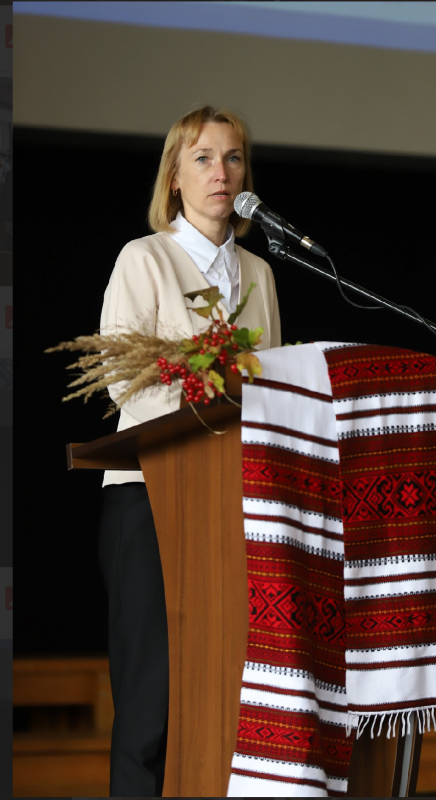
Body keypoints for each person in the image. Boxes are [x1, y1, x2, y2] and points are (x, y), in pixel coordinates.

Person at [97, 105, 281, 797]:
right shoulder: (144, 259)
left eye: (233, 158)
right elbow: (121, 377)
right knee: (149, 708)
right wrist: (206, 385)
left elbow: (271, 386)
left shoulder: (260, 273)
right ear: (174, 177)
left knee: (225, 701)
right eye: (202, 158)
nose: (220, 172)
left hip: (233, 508)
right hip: (151, 498)